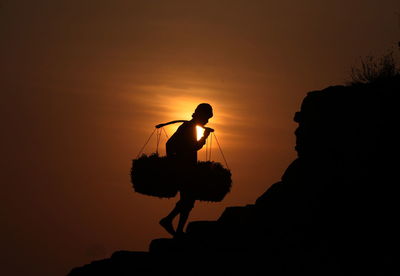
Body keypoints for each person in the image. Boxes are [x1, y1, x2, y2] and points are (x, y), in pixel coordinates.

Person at [159, 103, 214, 238]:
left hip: (188, 168)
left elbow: (188, 147)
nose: (207, 121)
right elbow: (189, 146)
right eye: (206, 118)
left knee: (188, 200)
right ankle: (171, 223)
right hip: (184, 169)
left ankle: (176, 228)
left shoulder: (191, 127)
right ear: (200, 116)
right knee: (188, 199)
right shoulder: (188, 128)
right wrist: (204, 137)